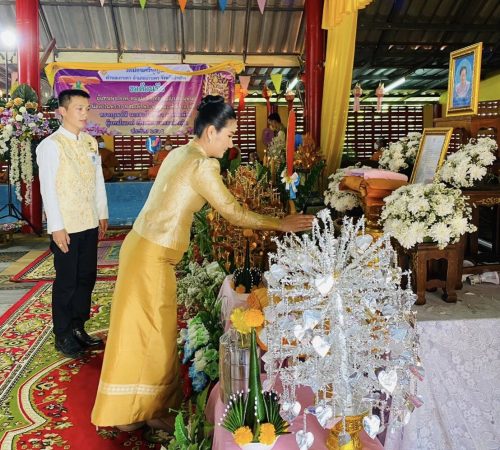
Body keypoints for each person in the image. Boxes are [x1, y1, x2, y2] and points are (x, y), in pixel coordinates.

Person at [91, 95, 313, 432]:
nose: (231, 143)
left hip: (141, 248)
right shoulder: (201, 164)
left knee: (140, 331)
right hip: (152, 255)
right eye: (229, 135)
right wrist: (280, 223)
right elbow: (233, 212)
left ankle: (135, 411)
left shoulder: (181, 152)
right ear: (211, 132)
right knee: (156, 334)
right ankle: (148, 410)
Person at [36, 89, 109, 359]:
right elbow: (48, 190)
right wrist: (56, 226)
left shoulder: (90, 142)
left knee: (86, 277)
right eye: (79, 108)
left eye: (87, 108)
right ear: (62, 112)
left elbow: (97, 180)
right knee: (66, 281)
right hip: (66, 226)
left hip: (88, 221)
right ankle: (63, 333)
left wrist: (102, 212)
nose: (84, 114)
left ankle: (78, 327)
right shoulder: (51, 146)